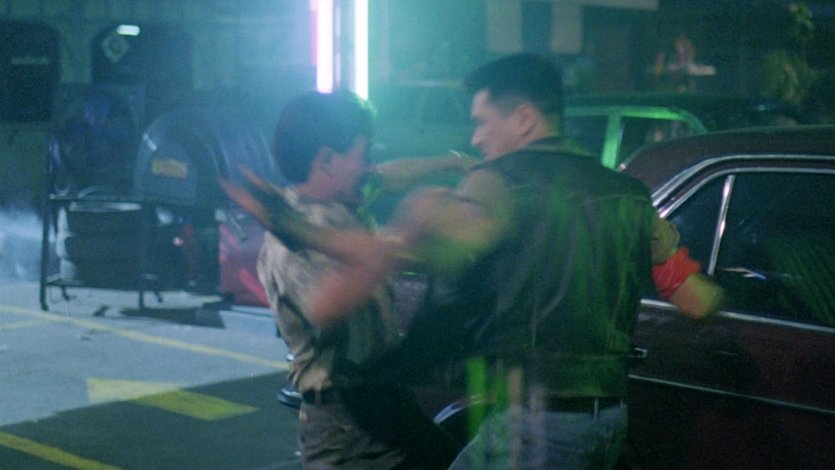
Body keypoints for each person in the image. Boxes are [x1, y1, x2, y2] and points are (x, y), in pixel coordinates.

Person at [225, 55, 723, 469]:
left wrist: (298, 226)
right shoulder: (630, 195)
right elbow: (698, 301)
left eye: (483, 122)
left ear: (523, 117)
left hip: (535, 425)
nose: (477, 138)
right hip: (608, 422)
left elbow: (403, 256)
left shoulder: (499, 186)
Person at [252, 90, 468, 469]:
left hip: (387, 405)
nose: (370, 166)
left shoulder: (343, 201)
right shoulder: (296, 239)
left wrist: (455, 163)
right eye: (364, 154)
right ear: (326, 160)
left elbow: (388, 175)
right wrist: (407, 233)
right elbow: (327, 304)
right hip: (347, 428)